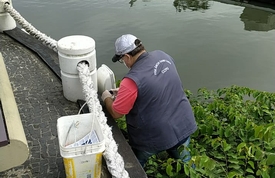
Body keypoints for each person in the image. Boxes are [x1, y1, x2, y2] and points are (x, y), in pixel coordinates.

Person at [101, 34, 197, 167]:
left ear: (127, 56)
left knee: (136, 165)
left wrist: (106, 97)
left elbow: (117, 113)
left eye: (122, 59)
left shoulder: (131, 81)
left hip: (153, 137)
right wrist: (126, 92)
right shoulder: (163, 56)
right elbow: (159, 80)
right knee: (187, 165)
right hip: (182, 124)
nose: (124, 63)